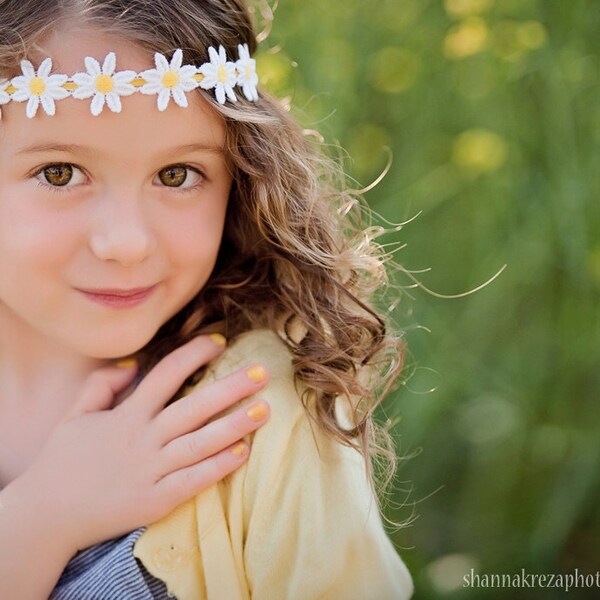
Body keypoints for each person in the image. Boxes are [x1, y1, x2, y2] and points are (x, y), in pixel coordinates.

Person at [0, 0, 414, 598]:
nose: (127, 243)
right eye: (60, 173)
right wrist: (42, 516)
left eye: (177, 175)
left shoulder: (263, 408)